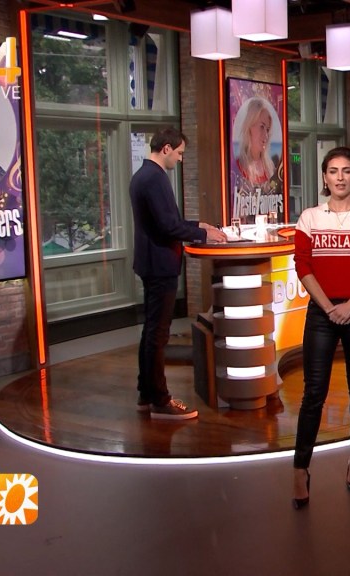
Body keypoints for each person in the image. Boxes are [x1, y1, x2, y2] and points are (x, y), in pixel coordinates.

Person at [291, 146, 350, 510]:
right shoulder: (309, 219)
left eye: (346, 171)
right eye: (333, 171)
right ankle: (300, 469)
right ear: (324, 177)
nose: (340, 177)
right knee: (313, 392)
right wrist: (329, 307)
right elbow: (303, 265)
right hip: (321, 312)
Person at [130, 128, 227, 420]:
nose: (181, 159)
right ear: (167, 149)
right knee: (157, 335)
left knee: (152, 332)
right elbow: (168, 227)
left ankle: (146, 394)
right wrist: (204, 235)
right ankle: (160, 400)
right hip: (159, 266)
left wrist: (199, 225)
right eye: (180, 153)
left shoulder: (143, 175)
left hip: (152, 264)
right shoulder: (154, 178)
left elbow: (168, 220)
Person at [235, 98, 276, 192]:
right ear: (249, 127)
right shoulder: (239, 166)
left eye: (267, 129)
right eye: (262, 127)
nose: (266, 135)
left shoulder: (270, 167)